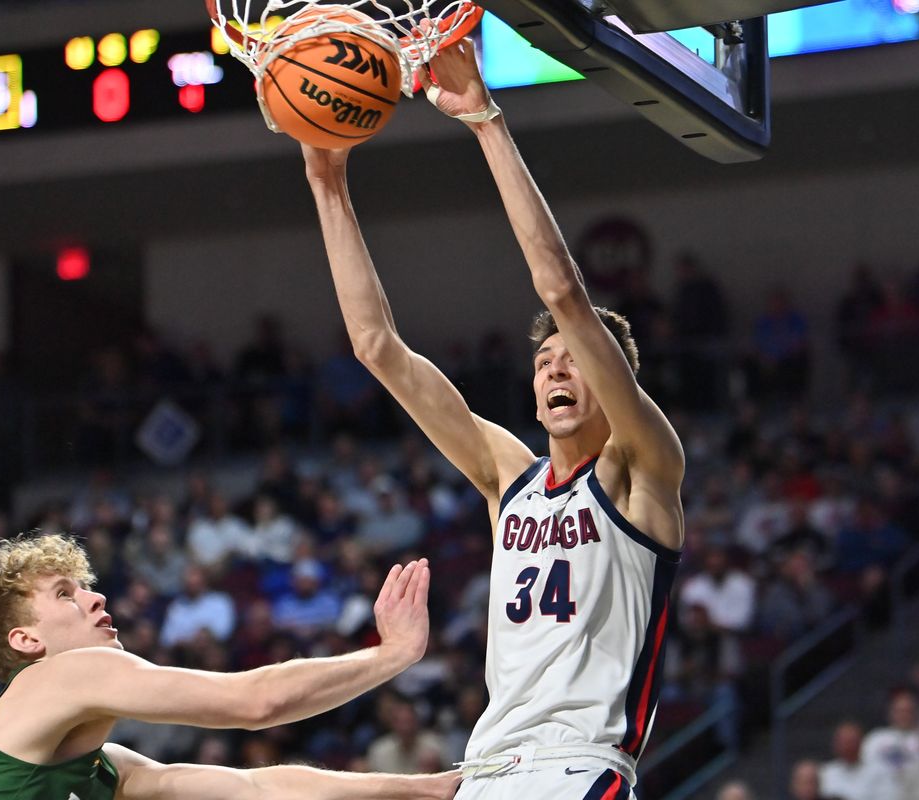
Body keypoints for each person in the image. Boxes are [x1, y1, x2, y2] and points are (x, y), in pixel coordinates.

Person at [303, 35, 684, 800]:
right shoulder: (507, 476)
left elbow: (563, 294)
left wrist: (485, 121)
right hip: (485, 769)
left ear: (617, 385)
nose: (555, 370)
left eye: (574, 360)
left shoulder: (643, 465)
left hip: (581, 767)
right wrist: (326, 181)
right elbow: (377, 346)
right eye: (544, 364)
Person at [0, 533, 458, 799]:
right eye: (66, 594)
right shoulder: (59, 675)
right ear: (26, 640)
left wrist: (425, 790)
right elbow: (255, 702)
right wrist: (391, 654)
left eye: (86, 587)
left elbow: (258, 789)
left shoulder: (102, 768)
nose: (95, 599)